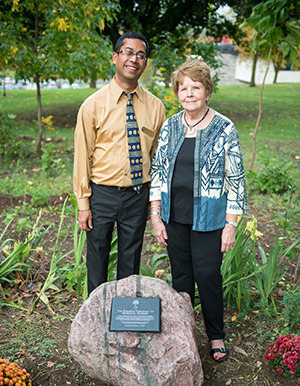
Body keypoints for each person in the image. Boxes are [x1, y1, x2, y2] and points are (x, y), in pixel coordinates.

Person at [149, 59, 247, 362]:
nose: (189, 93)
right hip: (174, 216)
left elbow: (237, 178)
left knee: (207, 276)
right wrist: (155, 215)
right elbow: (157, 171)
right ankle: (185, 334)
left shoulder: (223, 128)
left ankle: (215, 336)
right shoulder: (171, 126)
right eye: (183, 87)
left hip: (209, 219)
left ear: (207, 91)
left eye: (196, 87)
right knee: (181, 278)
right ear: (177, 92)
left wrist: (231, 224)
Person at [74, 31, 165, 295]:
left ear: (145, 63)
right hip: (101, 193)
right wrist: (83, 205)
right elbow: (82, 158)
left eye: (140, 55)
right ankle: (96, 320)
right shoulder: (92, 106)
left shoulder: (156, 107)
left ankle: (125, 318)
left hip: (138, 194)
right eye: (128, 52)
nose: (133, 59)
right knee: (97, 259)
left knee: (130, 260)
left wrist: (155, 201)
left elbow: (157, 158)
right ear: (115, 57)